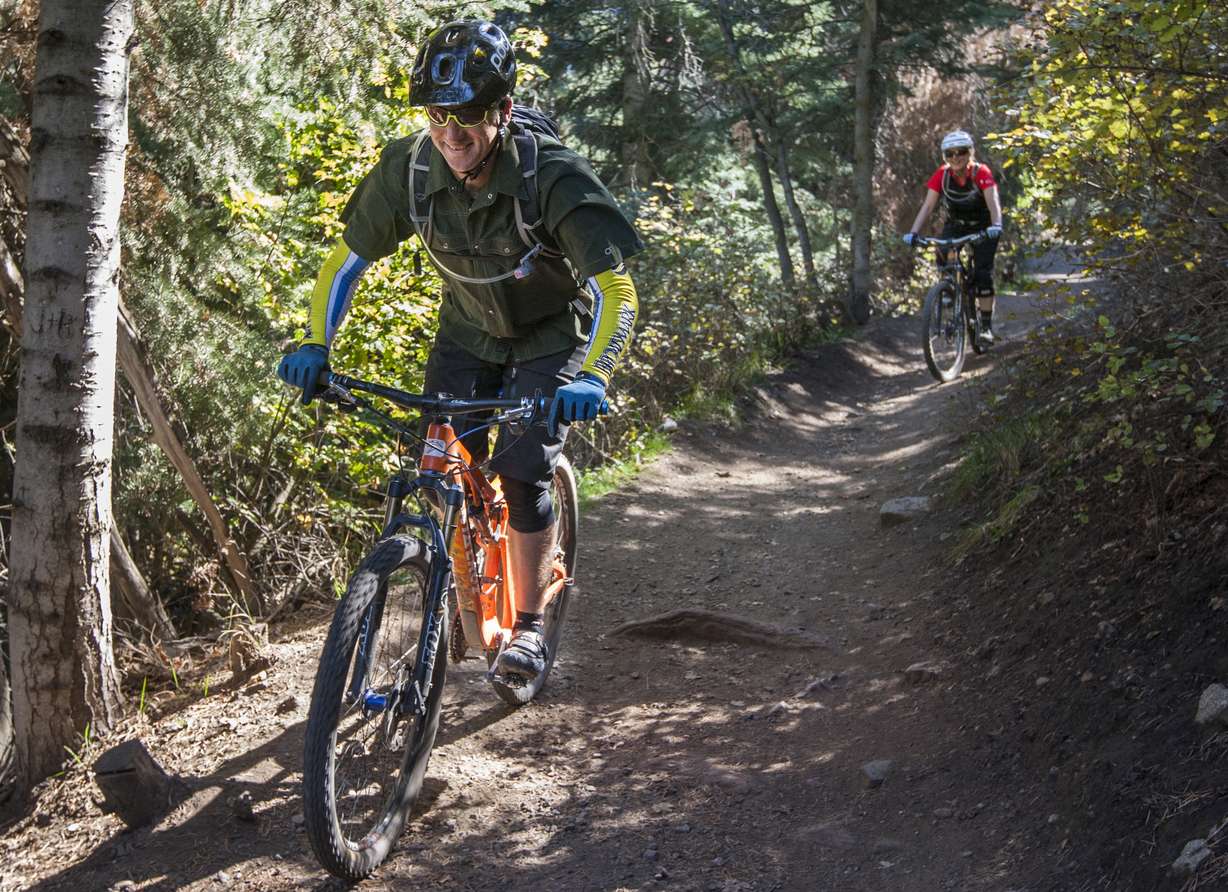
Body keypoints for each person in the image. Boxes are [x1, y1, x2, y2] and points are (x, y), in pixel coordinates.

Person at [276, 20, 643, 680]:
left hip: (550, 334)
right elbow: (344, 265)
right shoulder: (410, 169)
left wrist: (593, 375)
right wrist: (314, 344)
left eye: (468, 115)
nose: (450, 132)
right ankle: (451, 587)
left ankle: (528, 630)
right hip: (467, 331)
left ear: (501, 112)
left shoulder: (551, 178)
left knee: (524, 471)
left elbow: (617, 290)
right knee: (443, 463)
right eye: (438, 113)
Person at [902, 130, 1004, 342]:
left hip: (984, 227)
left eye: (961, 152)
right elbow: (928, 205)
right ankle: (949, 287)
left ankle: (985, 327)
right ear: (944, 156)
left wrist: (996, 225)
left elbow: (993, 202)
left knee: (983, 275)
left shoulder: (980, 172)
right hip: (957, 224)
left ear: (970, 153)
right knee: (943, 249)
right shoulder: (942, 174)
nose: (955, 157)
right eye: (950, 154)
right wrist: (913, 232)